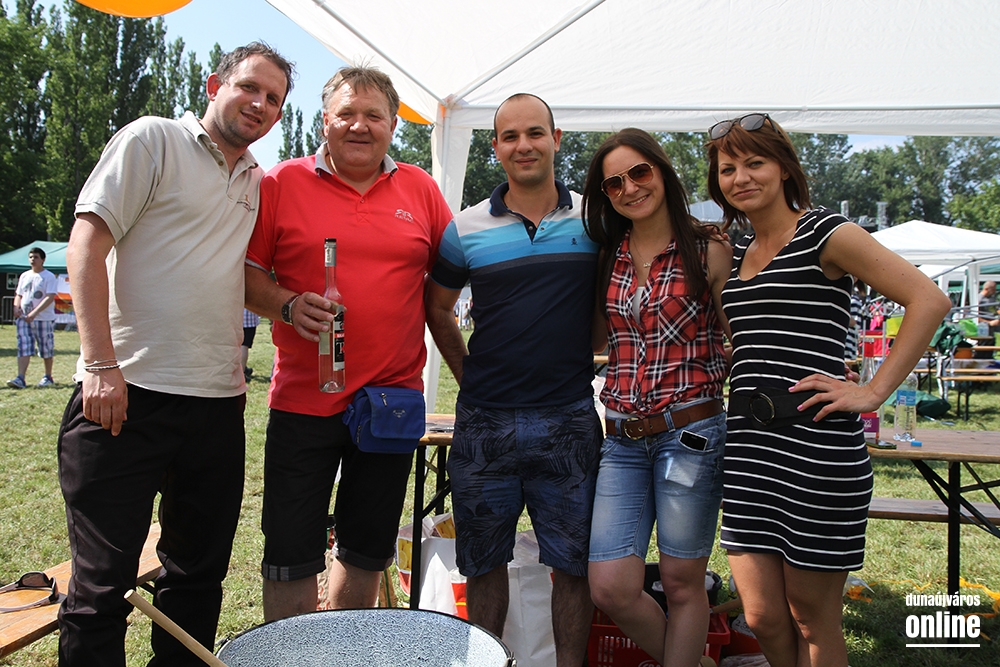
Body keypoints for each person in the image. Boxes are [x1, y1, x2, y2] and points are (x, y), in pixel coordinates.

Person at [58, 43, 292, 667]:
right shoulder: (152, 139)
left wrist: (292, 305)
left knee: (197, 578)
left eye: (273, 98)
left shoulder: (258, 181)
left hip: (217, 404)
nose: (260, 104)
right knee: (101, 589)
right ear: (214, 84)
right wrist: (99, 365)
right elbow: (85, 246)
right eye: (249, 87)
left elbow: (242, 276)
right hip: (125, 395)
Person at [706, 113, 951, 667]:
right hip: (748, 448)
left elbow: (929, 300)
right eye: (727, 169)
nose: (740, 177)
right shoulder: (738, 250)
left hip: (816, 447)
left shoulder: (826, 231)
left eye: (754, 162)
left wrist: (872, 392)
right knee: (762, 616)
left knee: (811, 618)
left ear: (783, 168)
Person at [244, 65, 452, 621]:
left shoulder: (420, 189)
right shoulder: (280, 183)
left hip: (390, 402)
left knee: (365, 550)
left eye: (374, 115)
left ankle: (345, 650)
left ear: (393, 125)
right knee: (290, 553)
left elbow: (454, 272)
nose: (360, 126)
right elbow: (246, 272)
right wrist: (287, 304)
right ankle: (291, 656)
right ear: (324, 121)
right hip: (303, 401)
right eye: (346, 114)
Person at [425, 93, 602, 667]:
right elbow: (437, 308)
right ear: (496, 147)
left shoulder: (596, 220)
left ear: (556, 139)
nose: (523, 145)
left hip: (568, 418)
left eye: (535, 133)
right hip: (485, 424)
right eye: (510, 136)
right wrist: (467, 375)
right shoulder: (465, 227)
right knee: (482, 563)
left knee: (573, 565)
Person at [580, 128, 732, 667]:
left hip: (690, 434)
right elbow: (598, 340)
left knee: (682, 581)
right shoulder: (609, 254)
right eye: (614, 183)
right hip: (621, 438)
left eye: (639, 172)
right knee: (610, 586)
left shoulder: (709, 246)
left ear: (662, 172)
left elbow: (736, 337)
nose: (630, 188)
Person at [8, 247, 58, 388]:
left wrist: (35, 313)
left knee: (46, 347)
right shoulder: (25, 275)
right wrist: (16, 307)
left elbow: (49, 297)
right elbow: (19, 294)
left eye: (36, 257)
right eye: (30, 257)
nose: (32, 260)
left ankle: (48, 376)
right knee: (23, 346)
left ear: (42, 260)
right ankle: (20, 378)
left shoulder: (48, 276)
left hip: (43, 319)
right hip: (24, 319)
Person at [242, 307, 261, 381]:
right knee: (244, 345)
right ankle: (241, 373)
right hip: (248, 320)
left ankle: (243, 367)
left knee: (235, 345)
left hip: (234, 318)